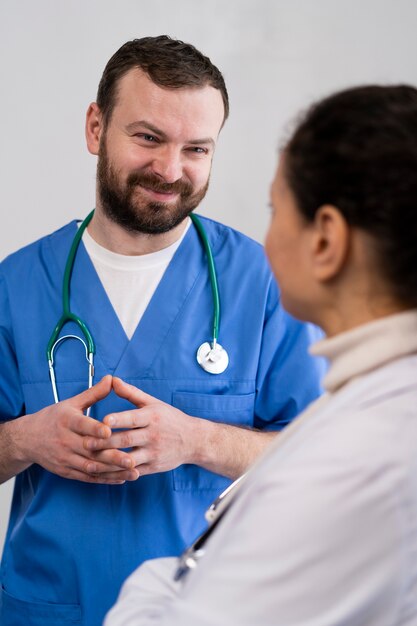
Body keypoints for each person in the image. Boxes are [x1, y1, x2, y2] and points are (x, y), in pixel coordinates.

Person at [0, 36, 323, 626]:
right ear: (96, 128)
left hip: (212, 611)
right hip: (48, 608)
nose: (171, 170)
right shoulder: (17, 284)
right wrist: (25, 440)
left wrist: (198, 441)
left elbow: (323, 462)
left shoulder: (265, 282)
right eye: (148, 138)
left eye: (196, 148)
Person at [104, 84, 417, 626]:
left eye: (276, 208)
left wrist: (160, 582)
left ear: (326, 241)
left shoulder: (362, 453)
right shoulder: (376, 412)